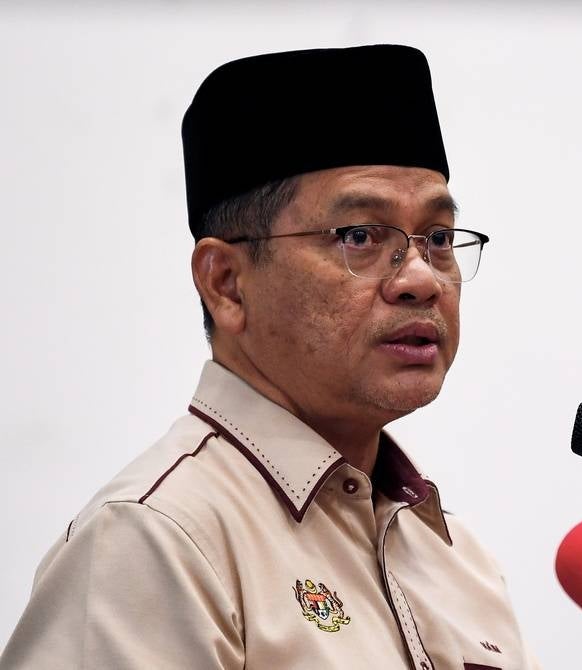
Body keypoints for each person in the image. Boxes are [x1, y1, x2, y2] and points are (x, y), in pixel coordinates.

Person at [1, 45, 538, 669]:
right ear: (226, 282)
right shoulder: (158, 539)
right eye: (359, 236)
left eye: (439, 238)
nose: (420, 277)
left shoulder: (455, 556)